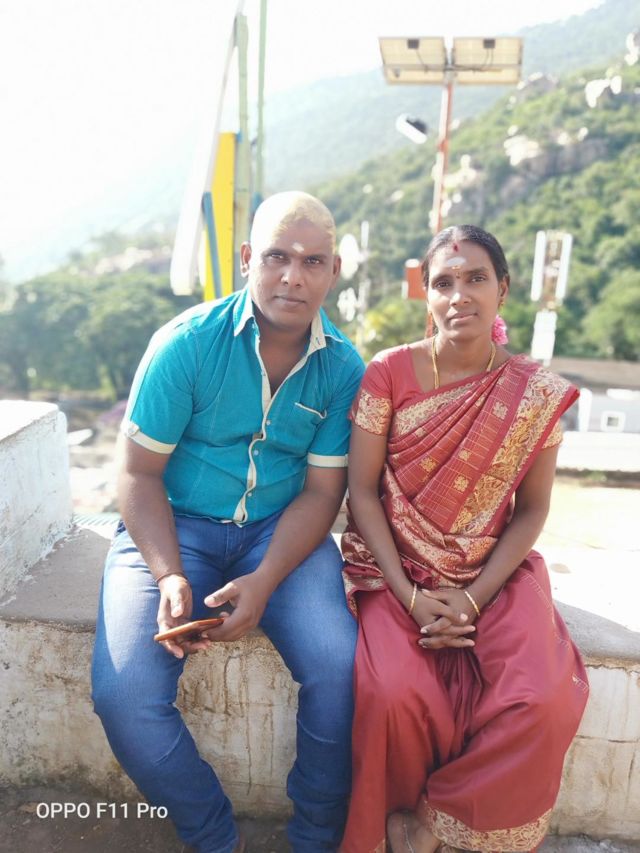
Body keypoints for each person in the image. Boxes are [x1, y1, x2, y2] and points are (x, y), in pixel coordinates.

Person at [91, 191, 365, 853]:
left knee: (341, 669)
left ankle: (315, 836)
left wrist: (265, 580)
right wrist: (169, 575)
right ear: (247, 259)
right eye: (276, 256)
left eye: (313, 261)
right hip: (173, 525)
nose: (292, 276)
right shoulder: (186, 344)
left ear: (333, 272)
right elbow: (137, 474)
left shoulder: (342, 368)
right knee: (125, 694)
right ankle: (214, 837)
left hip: (281, 532)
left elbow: (323, 492)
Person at [339, 225, 589, 853]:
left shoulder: (533, 393)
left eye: (476, 278)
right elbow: (361, 493)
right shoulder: (388, 373)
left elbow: (533, 510)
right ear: (426, 295)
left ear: (502, 289)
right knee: (393, 693)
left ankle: (428, 824)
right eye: (444, 282)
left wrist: (474, 598)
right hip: (395, 570)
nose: (459, 296)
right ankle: (386, 826)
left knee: (544, 700)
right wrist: (409, 596)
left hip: (494, 574)